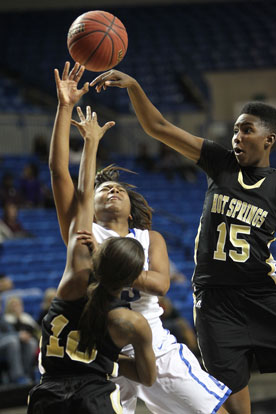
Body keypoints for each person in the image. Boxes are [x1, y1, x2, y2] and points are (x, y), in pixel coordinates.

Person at [49, 61, 231, 414]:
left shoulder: (150, 239)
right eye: (103, 189)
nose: (111, 191)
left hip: (154, 345)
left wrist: (110, 261)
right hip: (103, 352)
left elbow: (161, 285)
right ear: (93, 204)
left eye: (119, 189)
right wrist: (65, 107)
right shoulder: (83, 230)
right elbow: (59, 173)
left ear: (132, 209)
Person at [90, 69, 276, 414]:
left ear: (269, 139)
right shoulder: (221, 163)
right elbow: (158, 128)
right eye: (235, 129)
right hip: (215, 301)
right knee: (232, 396)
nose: (237, 136)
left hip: (262, 293)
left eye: (246, 130)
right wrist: (134, 85)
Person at [28, 62, 156, 414]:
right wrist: (107, 359)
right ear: (131, 279)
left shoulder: (76, 273)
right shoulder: (129, 322)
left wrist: (79, 125)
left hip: (47, 396)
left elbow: (63, 177)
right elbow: (146, 376)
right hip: (94, 399)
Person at [4, 295, 40, 380]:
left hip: (27, 341)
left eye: (18, 305)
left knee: (32, 343)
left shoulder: (26, 318)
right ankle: (18, 376)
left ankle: (27, 373)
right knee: (14, 342)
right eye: (13, 305)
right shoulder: (6, 319)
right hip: (14, 343)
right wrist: (19, 335)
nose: (16, 307)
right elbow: (9, 333)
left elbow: (37, 331)